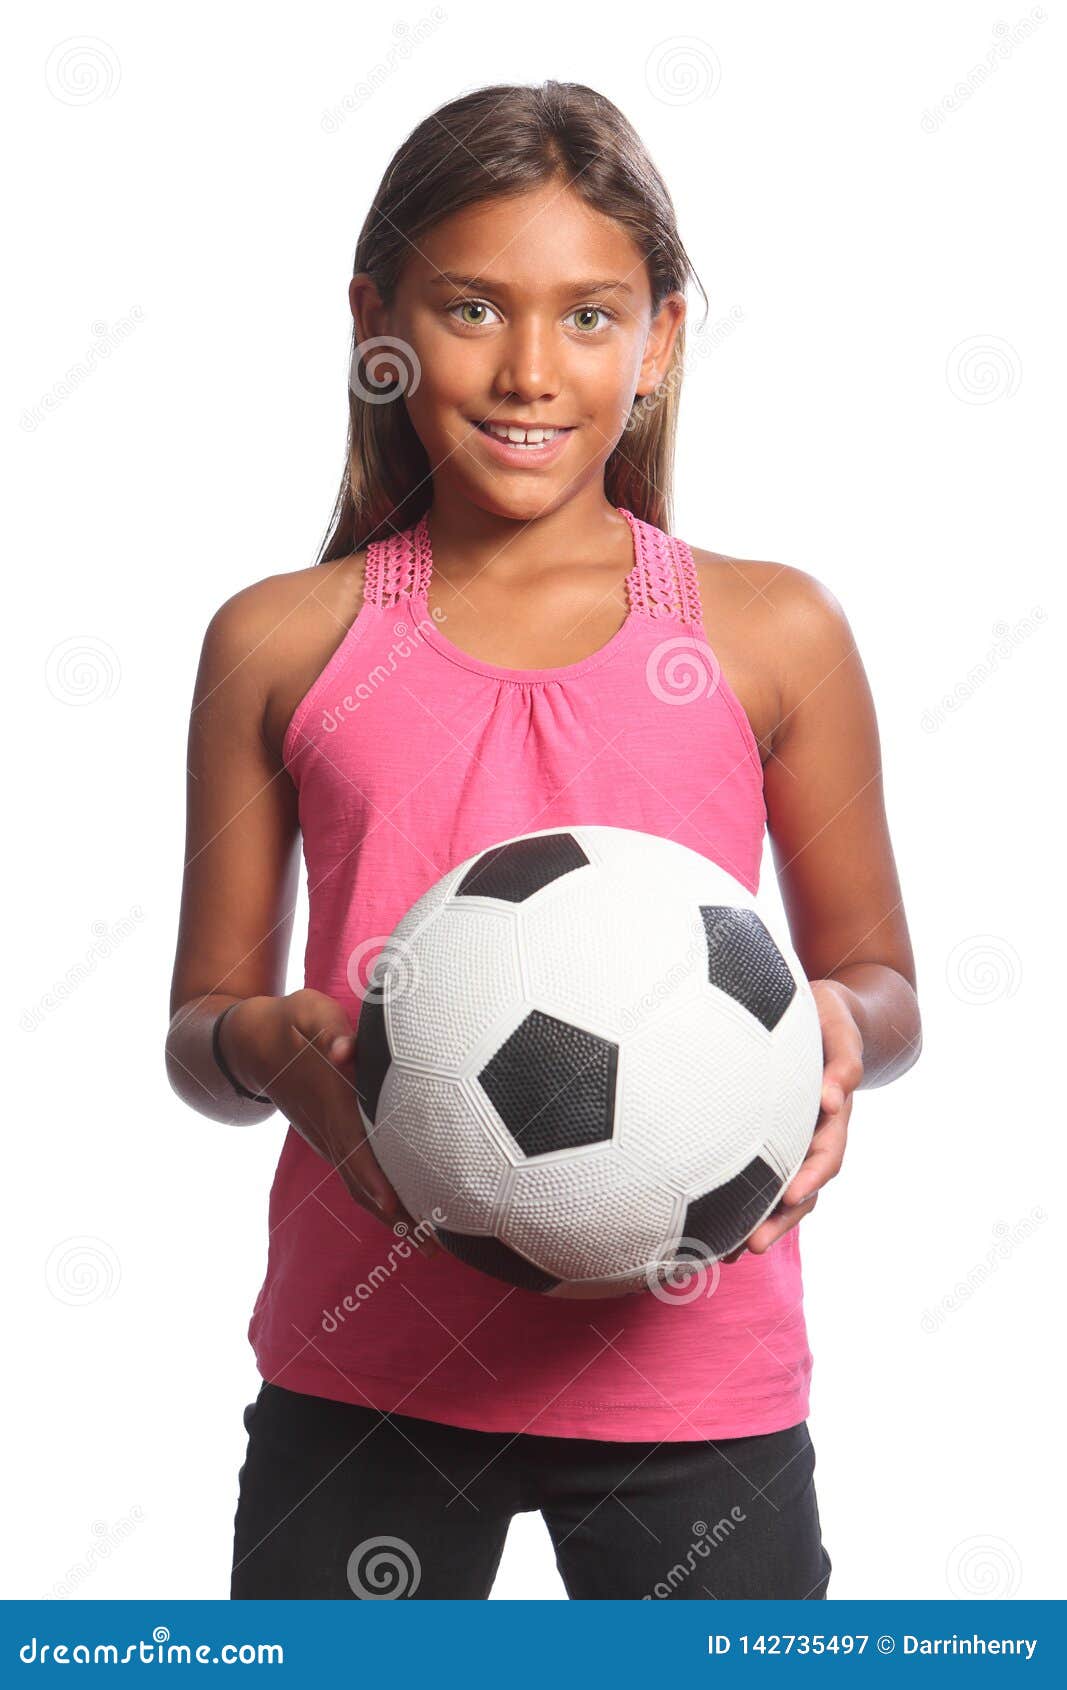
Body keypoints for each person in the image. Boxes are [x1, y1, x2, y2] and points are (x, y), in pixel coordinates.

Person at [165, 80, 921, 1601]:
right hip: (362, 1364)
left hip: (694, 1369)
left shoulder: (771, 631)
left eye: (589, 315)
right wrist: (274, 1049)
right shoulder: (279, 642)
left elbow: (881, 982)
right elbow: (199, 1029)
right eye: (469, 308)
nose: (529, 369)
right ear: (377, 319)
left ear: (663, 338)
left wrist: (831, 1032)